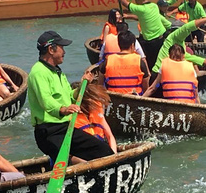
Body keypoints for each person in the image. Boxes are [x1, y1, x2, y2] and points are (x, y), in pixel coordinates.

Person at [28, 30, 115, 164]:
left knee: (104, 151)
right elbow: (45, 101)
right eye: (62, 48)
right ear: (51, 49)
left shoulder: (57, 71)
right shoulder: (38, 72)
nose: (64, 52)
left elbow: (70, 95)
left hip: (65, 127)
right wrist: (63, 109)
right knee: (71, 162)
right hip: (48, 132)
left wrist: (82, 86)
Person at [111, 0, 167, 71]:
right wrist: (128, 16)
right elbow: (142, 17)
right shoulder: (154, 6)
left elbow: (124, 2)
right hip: (161, 38)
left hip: (152, 42)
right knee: (160, 62)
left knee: (151, 64)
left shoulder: (140, 8)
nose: (135, 1)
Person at [151, 14, 206, 78]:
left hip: (166, 75)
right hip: (159, 74)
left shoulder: (179, 44)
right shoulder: (174, 36)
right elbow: (187, 27)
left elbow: (191, 58)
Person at [98, 30, 150, 95]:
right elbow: (146, 84)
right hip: (135, 99)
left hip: (113, 98)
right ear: (132, 45)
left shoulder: (108, 61)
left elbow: (100, 84)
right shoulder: (139, 61)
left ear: (119, 44)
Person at [73, 83, 117, 154]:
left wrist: (114, 155)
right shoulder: (72, 116)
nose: (95, 102)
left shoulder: (97, 112)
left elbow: (110, 136)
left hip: (100, 148)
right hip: (83, 153)